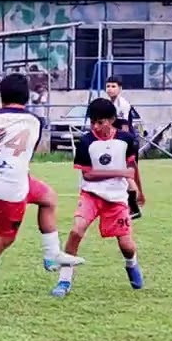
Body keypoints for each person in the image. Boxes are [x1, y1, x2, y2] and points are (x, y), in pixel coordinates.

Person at [0, 74, 85, 303]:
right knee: (5, 237)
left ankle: (51, 254)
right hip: (9, 186)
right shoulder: (35, 121)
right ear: (26, 96)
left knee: (48, 197)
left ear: (1, 96)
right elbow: (26, 153)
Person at [52, 98, 145, 298]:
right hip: (91, 194)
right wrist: (119, 171)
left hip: (117, 198)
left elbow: (132, 169)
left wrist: (139, 190)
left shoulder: (127, 140)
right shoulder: (86, 141)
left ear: (111, 120)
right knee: (76, 231)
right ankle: (64, 280)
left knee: (127, 246)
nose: (95, 126)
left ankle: (131, 264)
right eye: (92, 122)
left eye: (100, 122)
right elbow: (88, 174)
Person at [104, 76, 145, 219]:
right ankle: (127, 207)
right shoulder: (109, 103)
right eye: (108, 86)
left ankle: (134, 208)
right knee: (120, 175)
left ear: (120, 89)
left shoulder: (123, 105)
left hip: (126, 143)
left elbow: (125, 128)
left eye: (113, 86)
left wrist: (123, 146)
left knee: (127, 176)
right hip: (117, 142)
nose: (110, 89)